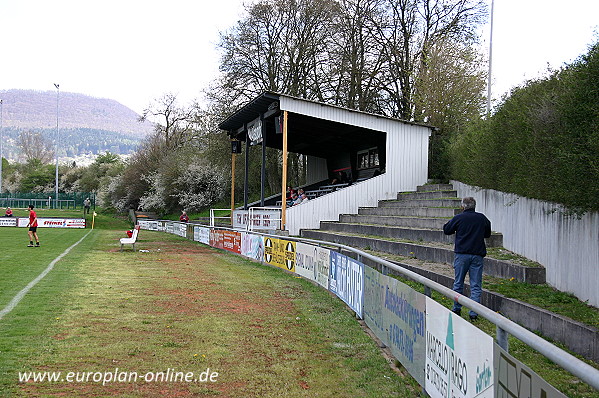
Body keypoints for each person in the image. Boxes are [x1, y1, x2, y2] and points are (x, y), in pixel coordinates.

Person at [443, 197, 491, 321]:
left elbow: (447, 230)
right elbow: (487, 234)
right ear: (474, 206)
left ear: (462, 206)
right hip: (477, 254)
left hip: (462, 254)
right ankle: (473, 312)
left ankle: (457, 308)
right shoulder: (482, 218)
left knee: (458, 282)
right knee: (475, 284)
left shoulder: (459, 218)